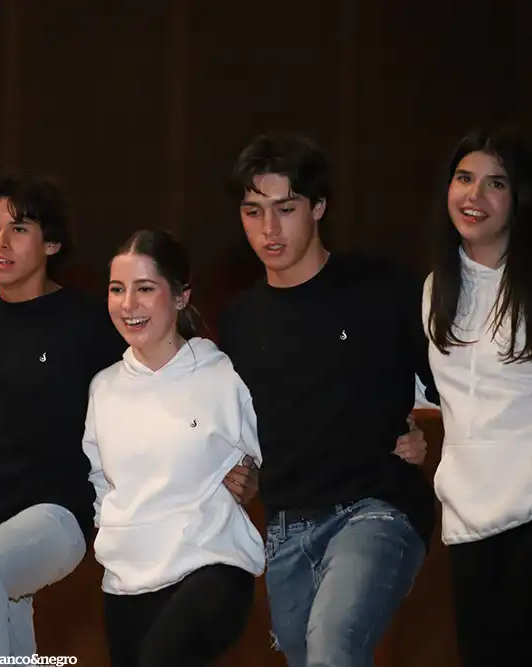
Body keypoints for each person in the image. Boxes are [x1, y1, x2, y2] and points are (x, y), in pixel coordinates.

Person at [0, 174, 256, 666]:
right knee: (6, 646)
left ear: (51, 243)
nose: (0, 242)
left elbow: (165, 372)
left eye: (18, 228)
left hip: (55, 514)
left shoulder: (90, 326)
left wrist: (243, 464)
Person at [216, 132, 436, 666]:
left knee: (333, 643)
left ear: (318, 207)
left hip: (377, 508)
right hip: (286, 524)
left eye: (285, 208)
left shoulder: (383, 288)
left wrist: (429, 434)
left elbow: (454, 383)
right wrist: (246, 469)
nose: (269, 229)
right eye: (253, 211)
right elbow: (249, 423)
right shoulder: (239, 319)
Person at [83, 229, 263, 667]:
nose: (128, 304)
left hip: (212, 564)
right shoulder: (104, 388)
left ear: (181, 297)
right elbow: (99, 480)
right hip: (126, 582)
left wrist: (257, 475)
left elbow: (280, 448)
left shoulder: (223, 376)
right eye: (117, 289)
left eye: (145, 289)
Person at [421, 127, 532, 666]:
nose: (475, 195)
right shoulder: (434, 288)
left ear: (518, 197)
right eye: (465, 178)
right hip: (466, 515)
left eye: (496, 183)